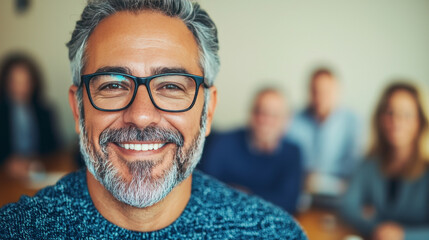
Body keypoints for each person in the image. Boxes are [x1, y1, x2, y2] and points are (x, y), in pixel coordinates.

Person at [0, 1, 306, 239]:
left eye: (171, 85)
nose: (142, 115)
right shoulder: (14, 231)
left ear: (207, 110)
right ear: (78, 110)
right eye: (113, 85)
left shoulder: (274, 234)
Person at [341, 82, 429, 240]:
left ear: (420, 122)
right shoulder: (369, 164)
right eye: (390, 112)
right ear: (380, 118)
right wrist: (377, 228)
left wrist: (404, 235)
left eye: (406, 114)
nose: (396, 121)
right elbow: (348, 206)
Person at [199, 88, 303, 214]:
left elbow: (289, 202)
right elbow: (205, 187)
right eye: (260, 112)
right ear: (251, 114)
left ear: (286, 120)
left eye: (274, 115)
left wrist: (244, 194)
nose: (266, 121)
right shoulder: (223, 142)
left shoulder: (292, 153)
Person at [286, 68, 362, 204]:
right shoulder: (293, 119)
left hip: (339, 197)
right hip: (300, 194)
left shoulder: (352, 122)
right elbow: (288, 162)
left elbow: (354, 168)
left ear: (337, 92)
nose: (320, 97)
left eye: (326, 92)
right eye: (315, 91)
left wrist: (323, 182)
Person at [0, 53, 61, 179]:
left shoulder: (45, 111)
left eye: (25, 82)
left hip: (37, 173)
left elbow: (55, 147)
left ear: (34, 83)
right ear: (6, 83)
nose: (20, 88)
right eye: (15, 82)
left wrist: (36, 162)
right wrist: (6, 163)